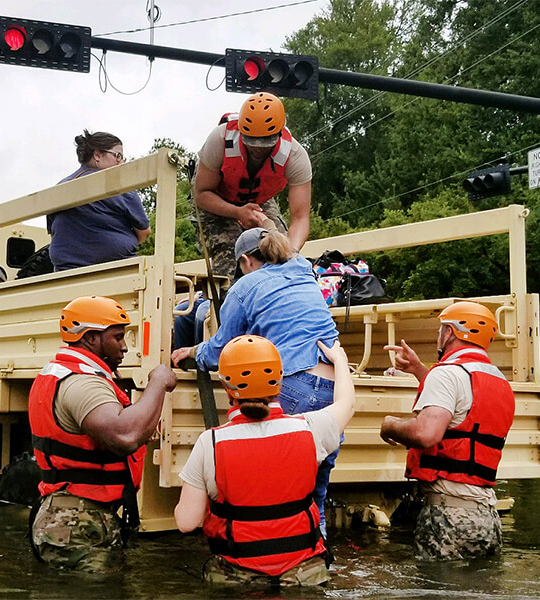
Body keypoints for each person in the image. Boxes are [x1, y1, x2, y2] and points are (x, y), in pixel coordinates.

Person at [170, 227, 342, 536]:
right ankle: (314, 558)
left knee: (269, 487)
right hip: (332, 385)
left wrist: (192, 352)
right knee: (314, 494)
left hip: (292, 381)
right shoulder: (305, 273)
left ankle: (260, 558)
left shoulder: (246, 285)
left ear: (246, 260)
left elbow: (224, 349)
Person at [174, 335, 355, 587]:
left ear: (227, 387)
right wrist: (339, 360)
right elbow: (347, 403)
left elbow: (186, 523)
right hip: (304, 575)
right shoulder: (310, 429)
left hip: (239, 579)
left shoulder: (210, 443)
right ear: (279, 382)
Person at [27, 295, 178, 573]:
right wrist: (158, 382)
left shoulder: (66, 373)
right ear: (91, 339)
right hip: (76, 521)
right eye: (118, 338)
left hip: (71, 515)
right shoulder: (82, 383)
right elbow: (125, 436)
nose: (124, 347)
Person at [379, 301, 516, 560]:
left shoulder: (447, 374)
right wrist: (420, 371)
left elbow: (426, 434)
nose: (437, 336)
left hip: (449, 515)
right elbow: (463, 411)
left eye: (440, 329)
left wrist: (390, 425)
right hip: (487, 515)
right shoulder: (499, 380)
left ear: (450, 332)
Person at [193, 92, 312, 281]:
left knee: (277, 251)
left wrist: (290, 253)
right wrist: (237, 212)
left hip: (259, 199)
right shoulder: (220, 139)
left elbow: (300, 218)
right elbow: (201, 194)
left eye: (265, 144)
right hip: (215, 199)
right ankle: (227, 302)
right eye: (251, 143)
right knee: (231, 260)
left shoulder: (295, 156)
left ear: (279, 134)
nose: (257, 149)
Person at [48, 130, 151, 272]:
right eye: (118, 156)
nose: (121, 163)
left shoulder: (58, 190)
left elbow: (54, 232)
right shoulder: (119, 186)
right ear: (97, 155)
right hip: (117, 271)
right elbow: (144, 232)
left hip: (65, 273)